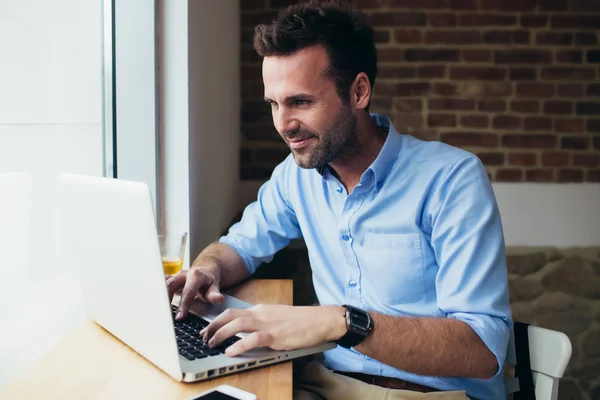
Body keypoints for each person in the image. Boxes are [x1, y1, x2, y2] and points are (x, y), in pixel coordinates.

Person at [166, 1, 512, 399]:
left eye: (300, 102)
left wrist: (340, 322)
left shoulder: (451, 180)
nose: (283, 125)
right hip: (329, 386)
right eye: (274, 104)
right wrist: (207, 269)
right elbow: (241, 245)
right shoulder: (297, 175)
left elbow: (483, 351)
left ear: (359, 92)